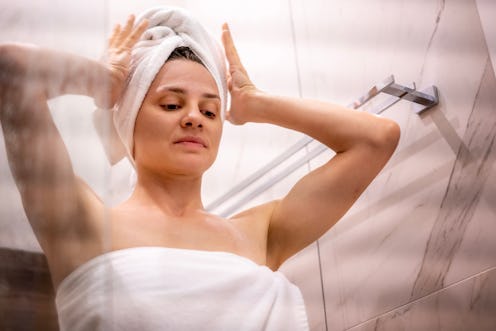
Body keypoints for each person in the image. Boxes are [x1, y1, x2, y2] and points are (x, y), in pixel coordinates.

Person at [0, 6, 400, 331]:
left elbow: (377, 139)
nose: (195, 118)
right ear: (129, 123)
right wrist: (101, 82)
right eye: (172, 105)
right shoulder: (82, 222)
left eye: (209, 110)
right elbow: (11, 68)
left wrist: (255, 102)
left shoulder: (260, 233)